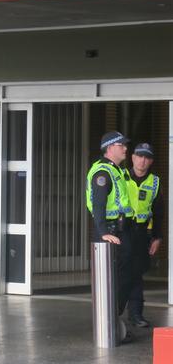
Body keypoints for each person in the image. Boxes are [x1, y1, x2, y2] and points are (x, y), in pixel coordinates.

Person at [86, 131, 136, 338]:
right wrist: (104, 232)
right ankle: (110, 318)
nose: (125, 148)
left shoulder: (116, 170)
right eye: (121, 145)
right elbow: (98, 204)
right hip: (110, 232)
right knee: (115, 277)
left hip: (120, 229)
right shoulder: (102, 172)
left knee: (128, 272)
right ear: (109, 148)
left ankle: (113, 316)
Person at [126, 142, 163, 328]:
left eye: (147, 157)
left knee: (137, 275)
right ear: (132, 157)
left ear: (151, 161)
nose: (142, 160)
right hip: (122, 232)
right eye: (139, 156)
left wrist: (157, 237)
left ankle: (136, 314)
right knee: (120, 275)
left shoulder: (154, 182)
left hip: (141, 234)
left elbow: (158, 212)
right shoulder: (121, 177)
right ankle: (113, 313)